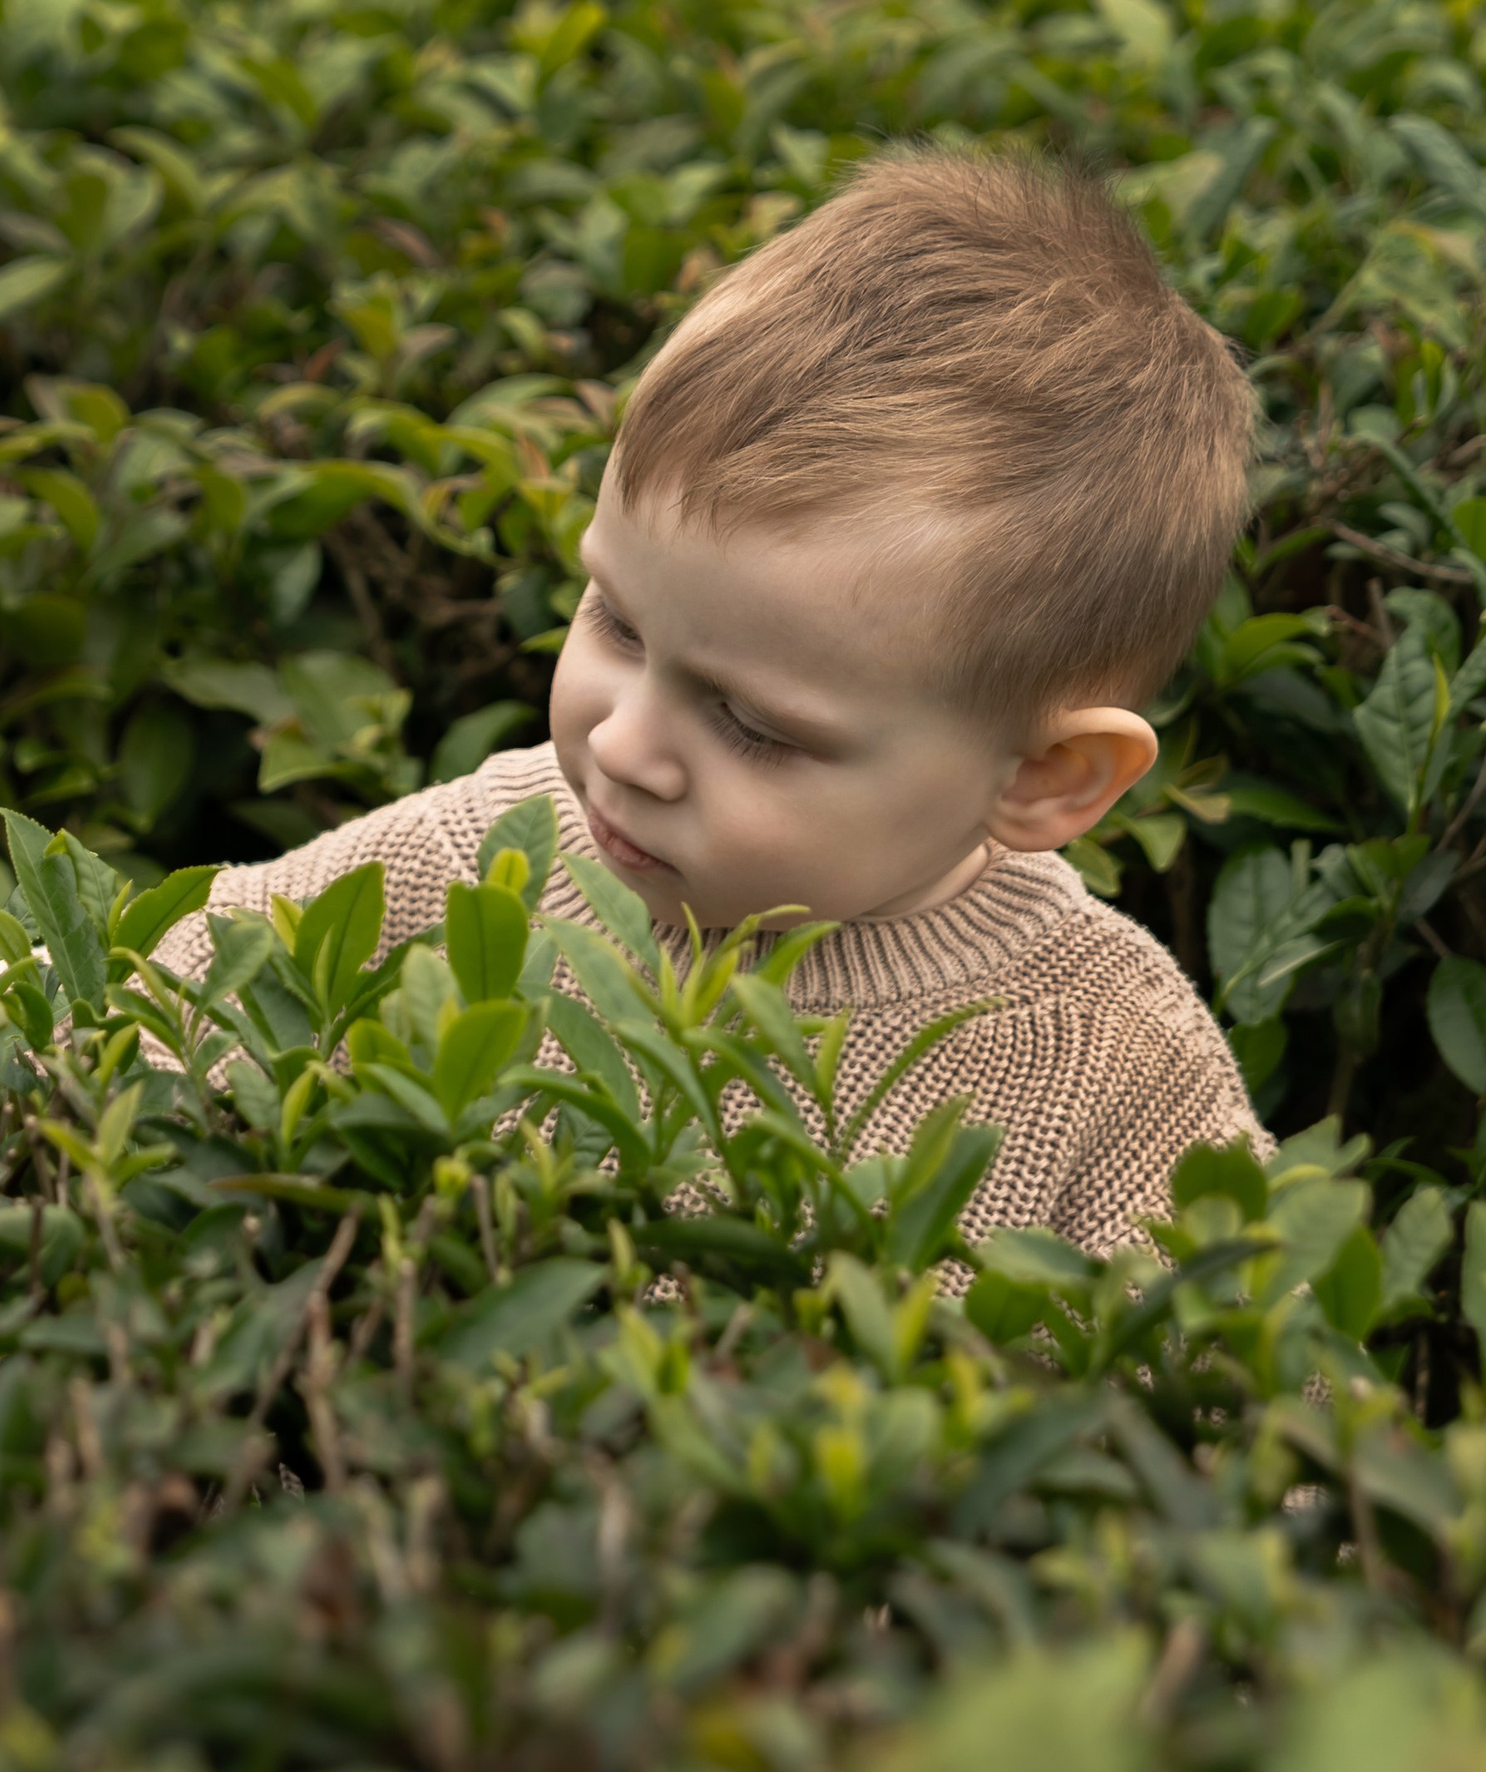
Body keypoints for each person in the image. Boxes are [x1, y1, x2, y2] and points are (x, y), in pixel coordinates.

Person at [153, 144, 1265, 1256]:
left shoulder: (1114, 1067)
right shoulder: (479, 859)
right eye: (615, 621)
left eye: (752, 722)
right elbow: (124, 1013)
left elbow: (1263, 1405)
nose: (625, 746)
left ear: (1040, 776)